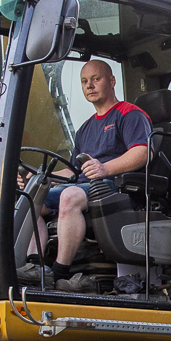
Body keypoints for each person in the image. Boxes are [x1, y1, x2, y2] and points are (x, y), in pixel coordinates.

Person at [47, 59, 151, 281]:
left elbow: (143, 152)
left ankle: (59, 272)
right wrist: (43, 179)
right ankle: (35, 265)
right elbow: (74, 171)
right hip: (85, 185)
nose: (89, 86)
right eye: (84, 81)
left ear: (112, 81)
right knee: (33, 199)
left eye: (96, 79)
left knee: (70, 195)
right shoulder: (85, 128)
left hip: (115, 187)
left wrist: (105, 168)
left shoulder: (129, 114)